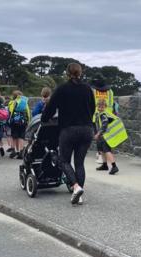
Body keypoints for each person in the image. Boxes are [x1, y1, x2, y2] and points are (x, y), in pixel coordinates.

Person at [41, 63, 95, 205]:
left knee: (64, 160)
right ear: (80, 73)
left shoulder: (62, 89)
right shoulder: (87, 89)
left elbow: (50, 109)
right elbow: (93, 108)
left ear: (67, 73)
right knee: (79, 163)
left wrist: (44, 119)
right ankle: (79, 194)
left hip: (69, 129)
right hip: (87, 129)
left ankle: (76, 187)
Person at [94, 99, 128, 175]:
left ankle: (114, 166)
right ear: (96, 106)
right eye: (99, 106)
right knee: (101, 150)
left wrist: (98, 134)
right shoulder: (99, 114)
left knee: (107, 151)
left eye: (102, 106)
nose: (100, 108)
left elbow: (104, 126)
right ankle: (105, 165)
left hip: (105, 136)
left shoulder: (103, 115)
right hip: (102, 136)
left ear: (105, 107)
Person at [92, 76, 116, 164]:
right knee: (107, 138)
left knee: (98, 138)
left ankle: (100, 156)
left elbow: (91, 104)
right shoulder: (110, 91)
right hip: (108, 116)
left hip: (96, 117)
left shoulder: (94, 91)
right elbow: (112, 104)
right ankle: (108, 156)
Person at [8, 90, 31, 159]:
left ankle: (13, 151)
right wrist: (28, 121)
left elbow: (9, 111)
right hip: (23, 122)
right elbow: (28, 113)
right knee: (21, 137)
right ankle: (21, 152)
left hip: (14, 122)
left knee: (13, 136)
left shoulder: (12, 102)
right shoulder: (25, 103)